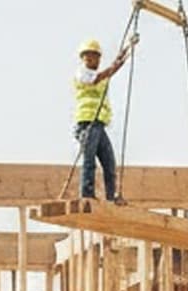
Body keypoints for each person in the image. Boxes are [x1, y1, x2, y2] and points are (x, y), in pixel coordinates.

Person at [72, 36, 134, 202]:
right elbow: (100, 77)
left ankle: (111, 196)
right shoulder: (82, 74)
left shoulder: (98, 74)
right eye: (92, 56)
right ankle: (87, 194)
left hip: (98, 124)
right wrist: (116, 64)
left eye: (97, 56)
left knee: (109, 163)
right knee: (89, 160)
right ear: (85, 57)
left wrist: (127, 50)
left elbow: (110, 70)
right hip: (87, 123)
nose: (96, 59)